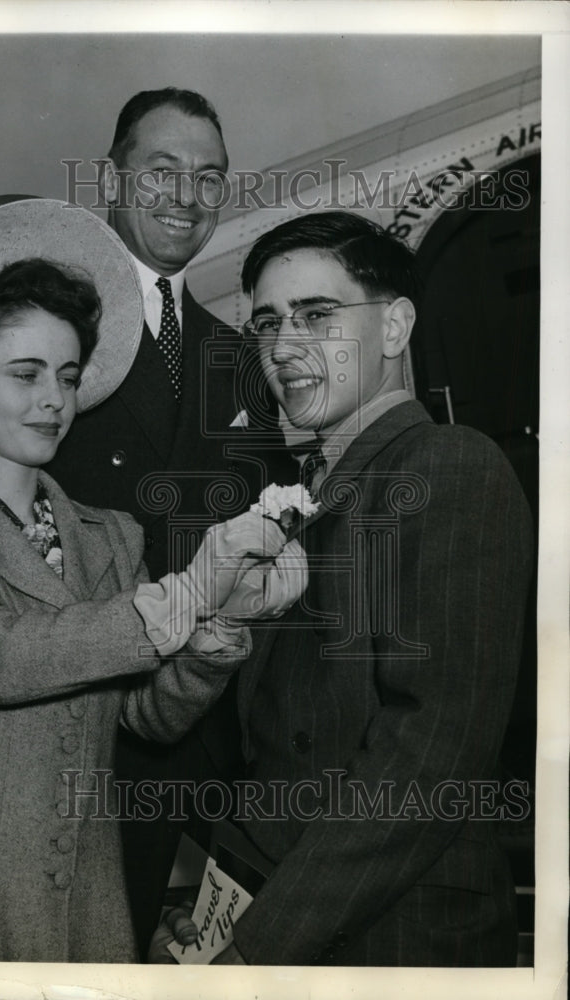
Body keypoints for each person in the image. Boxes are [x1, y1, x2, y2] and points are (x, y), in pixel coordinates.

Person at [0, 201, 307, 962]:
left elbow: (147, 719)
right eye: (25, 373)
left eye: (69, 375)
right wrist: (185, 590)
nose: (54, 399)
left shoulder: (108, 533)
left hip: (86, 905)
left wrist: (216, 622)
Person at [153, 211, 533, 966]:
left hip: (392, 942)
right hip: (283, 907)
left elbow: (426, 759)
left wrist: (256, 950)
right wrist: (207, 907)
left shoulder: (446, 464)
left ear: (394, 328)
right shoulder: (301, 494)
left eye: (316, 316)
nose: (283, 347)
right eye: (266, 324)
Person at [47, 87, 290, 954]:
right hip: (89, 733)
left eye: (208, 177)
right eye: (161, 172)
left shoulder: (237, 357)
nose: (187, 197)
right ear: (112, 182)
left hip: (214, 737)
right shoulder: (47, 336)